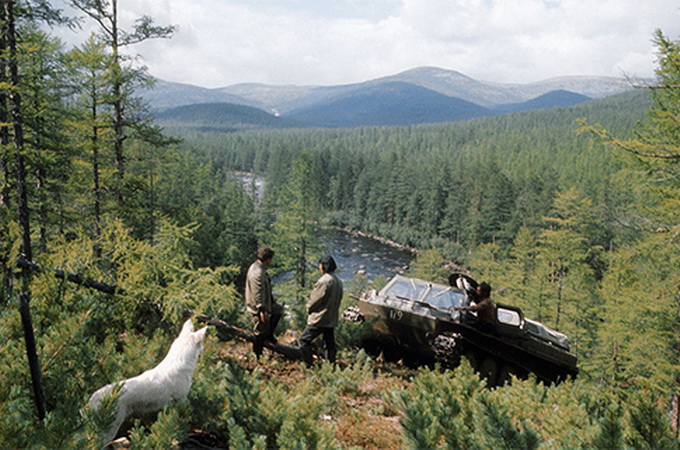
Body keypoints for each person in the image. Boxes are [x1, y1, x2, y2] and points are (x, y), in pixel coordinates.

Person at [299, 255, 344, 368]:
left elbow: (315, 300)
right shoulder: (338, 280)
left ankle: (308, 365)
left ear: (324, 266)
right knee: (329, 343)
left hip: (320, 317)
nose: (319, 267)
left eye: (320, 265)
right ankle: (330, 366)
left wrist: (308, 309)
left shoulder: (324, 281)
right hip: (331, 317)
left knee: (303, 340)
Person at [245, 246, 283, 358]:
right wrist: (262, 310)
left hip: (265, 302)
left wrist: (271, 298)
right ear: (267, 259)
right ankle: (257, 354)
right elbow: (257, 293)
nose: (271, 261)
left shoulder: (259, 267)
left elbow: (264, 288)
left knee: (278, 310)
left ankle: (269, 335)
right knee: (260, 329)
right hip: (257, 306)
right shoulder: (257, 273)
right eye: (271, 259)